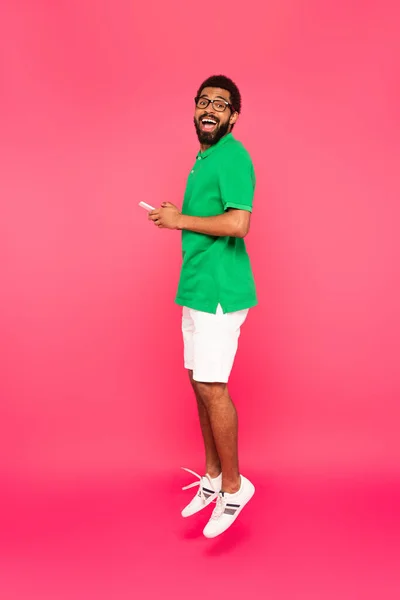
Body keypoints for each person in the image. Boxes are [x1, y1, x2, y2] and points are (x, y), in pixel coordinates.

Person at [148, 75, 257, 538]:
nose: (210, 108)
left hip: (219, 291)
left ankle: (235, 487)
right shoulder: (205, 157)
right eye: (203, 101)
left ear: (233, 116)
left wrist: (178, 220)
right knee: (199, 383)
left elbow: (239, 222)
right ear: (195, 110)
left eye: (221, 103)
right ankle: (212, 479)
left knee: (213, 387)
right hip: (195, 288)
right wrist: (179, 216)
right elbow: (207, 218)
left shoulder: (233, 156)